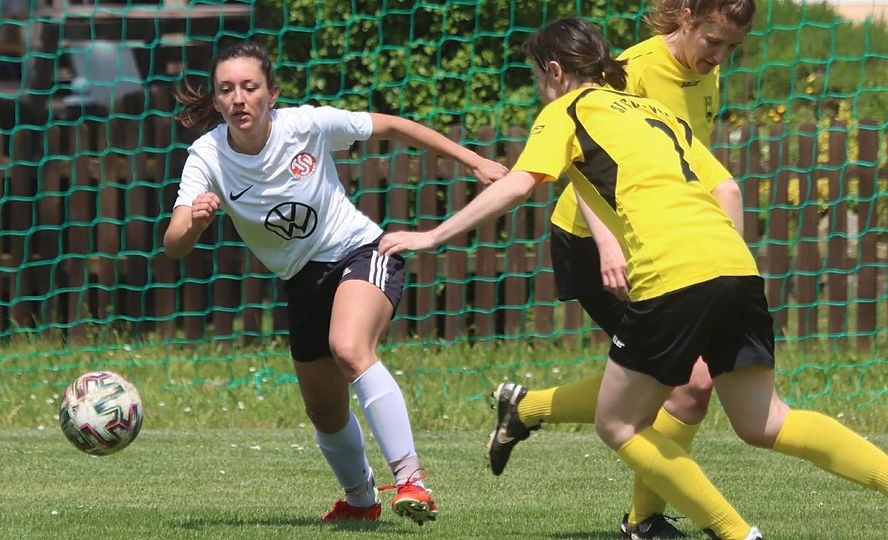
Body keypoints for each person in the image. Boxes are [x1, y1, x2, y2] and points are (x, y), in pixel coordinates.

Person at [379, 17, 888, 540]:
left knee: (618, 423)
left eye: (537, 78)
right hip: (735, 266)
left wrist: (433, 235)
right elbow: (728, 190)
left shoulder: (566, 110)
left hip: (672, 276)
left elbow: (519, 185)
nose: (539, 88)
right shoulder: (656, 113)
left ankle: (737, 534)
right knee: (767, 421)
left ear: (553, 70)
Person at [164, 41, 508, 524]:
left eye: (249, 87)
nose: (239, 98)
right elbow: (173, 242)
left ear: (271, 94)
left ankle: (412, 480)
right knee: (324, 412)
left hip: (360, 253)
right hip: (300, 281)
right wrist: (196, 221)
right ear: (217, 102)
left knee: (349, 348)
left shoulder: (305, 125)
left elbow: (391, 125)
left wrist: (472, 161)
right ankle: (361, 502)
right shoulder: (207, 156)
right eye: (227, 90)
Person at [486, 2, 753, 537]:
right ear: (686, 17)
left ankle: (528, 408)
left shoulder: (708, 75)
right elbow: (585, 157)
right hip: (595, 241)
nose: (719, 57)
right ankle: (647, 521)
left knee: (680, 386)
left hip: (662, 243)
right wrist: (610, 244)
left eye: (730, 48)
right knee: (686, 385)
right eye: (713, 42)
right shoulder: (630, 70)